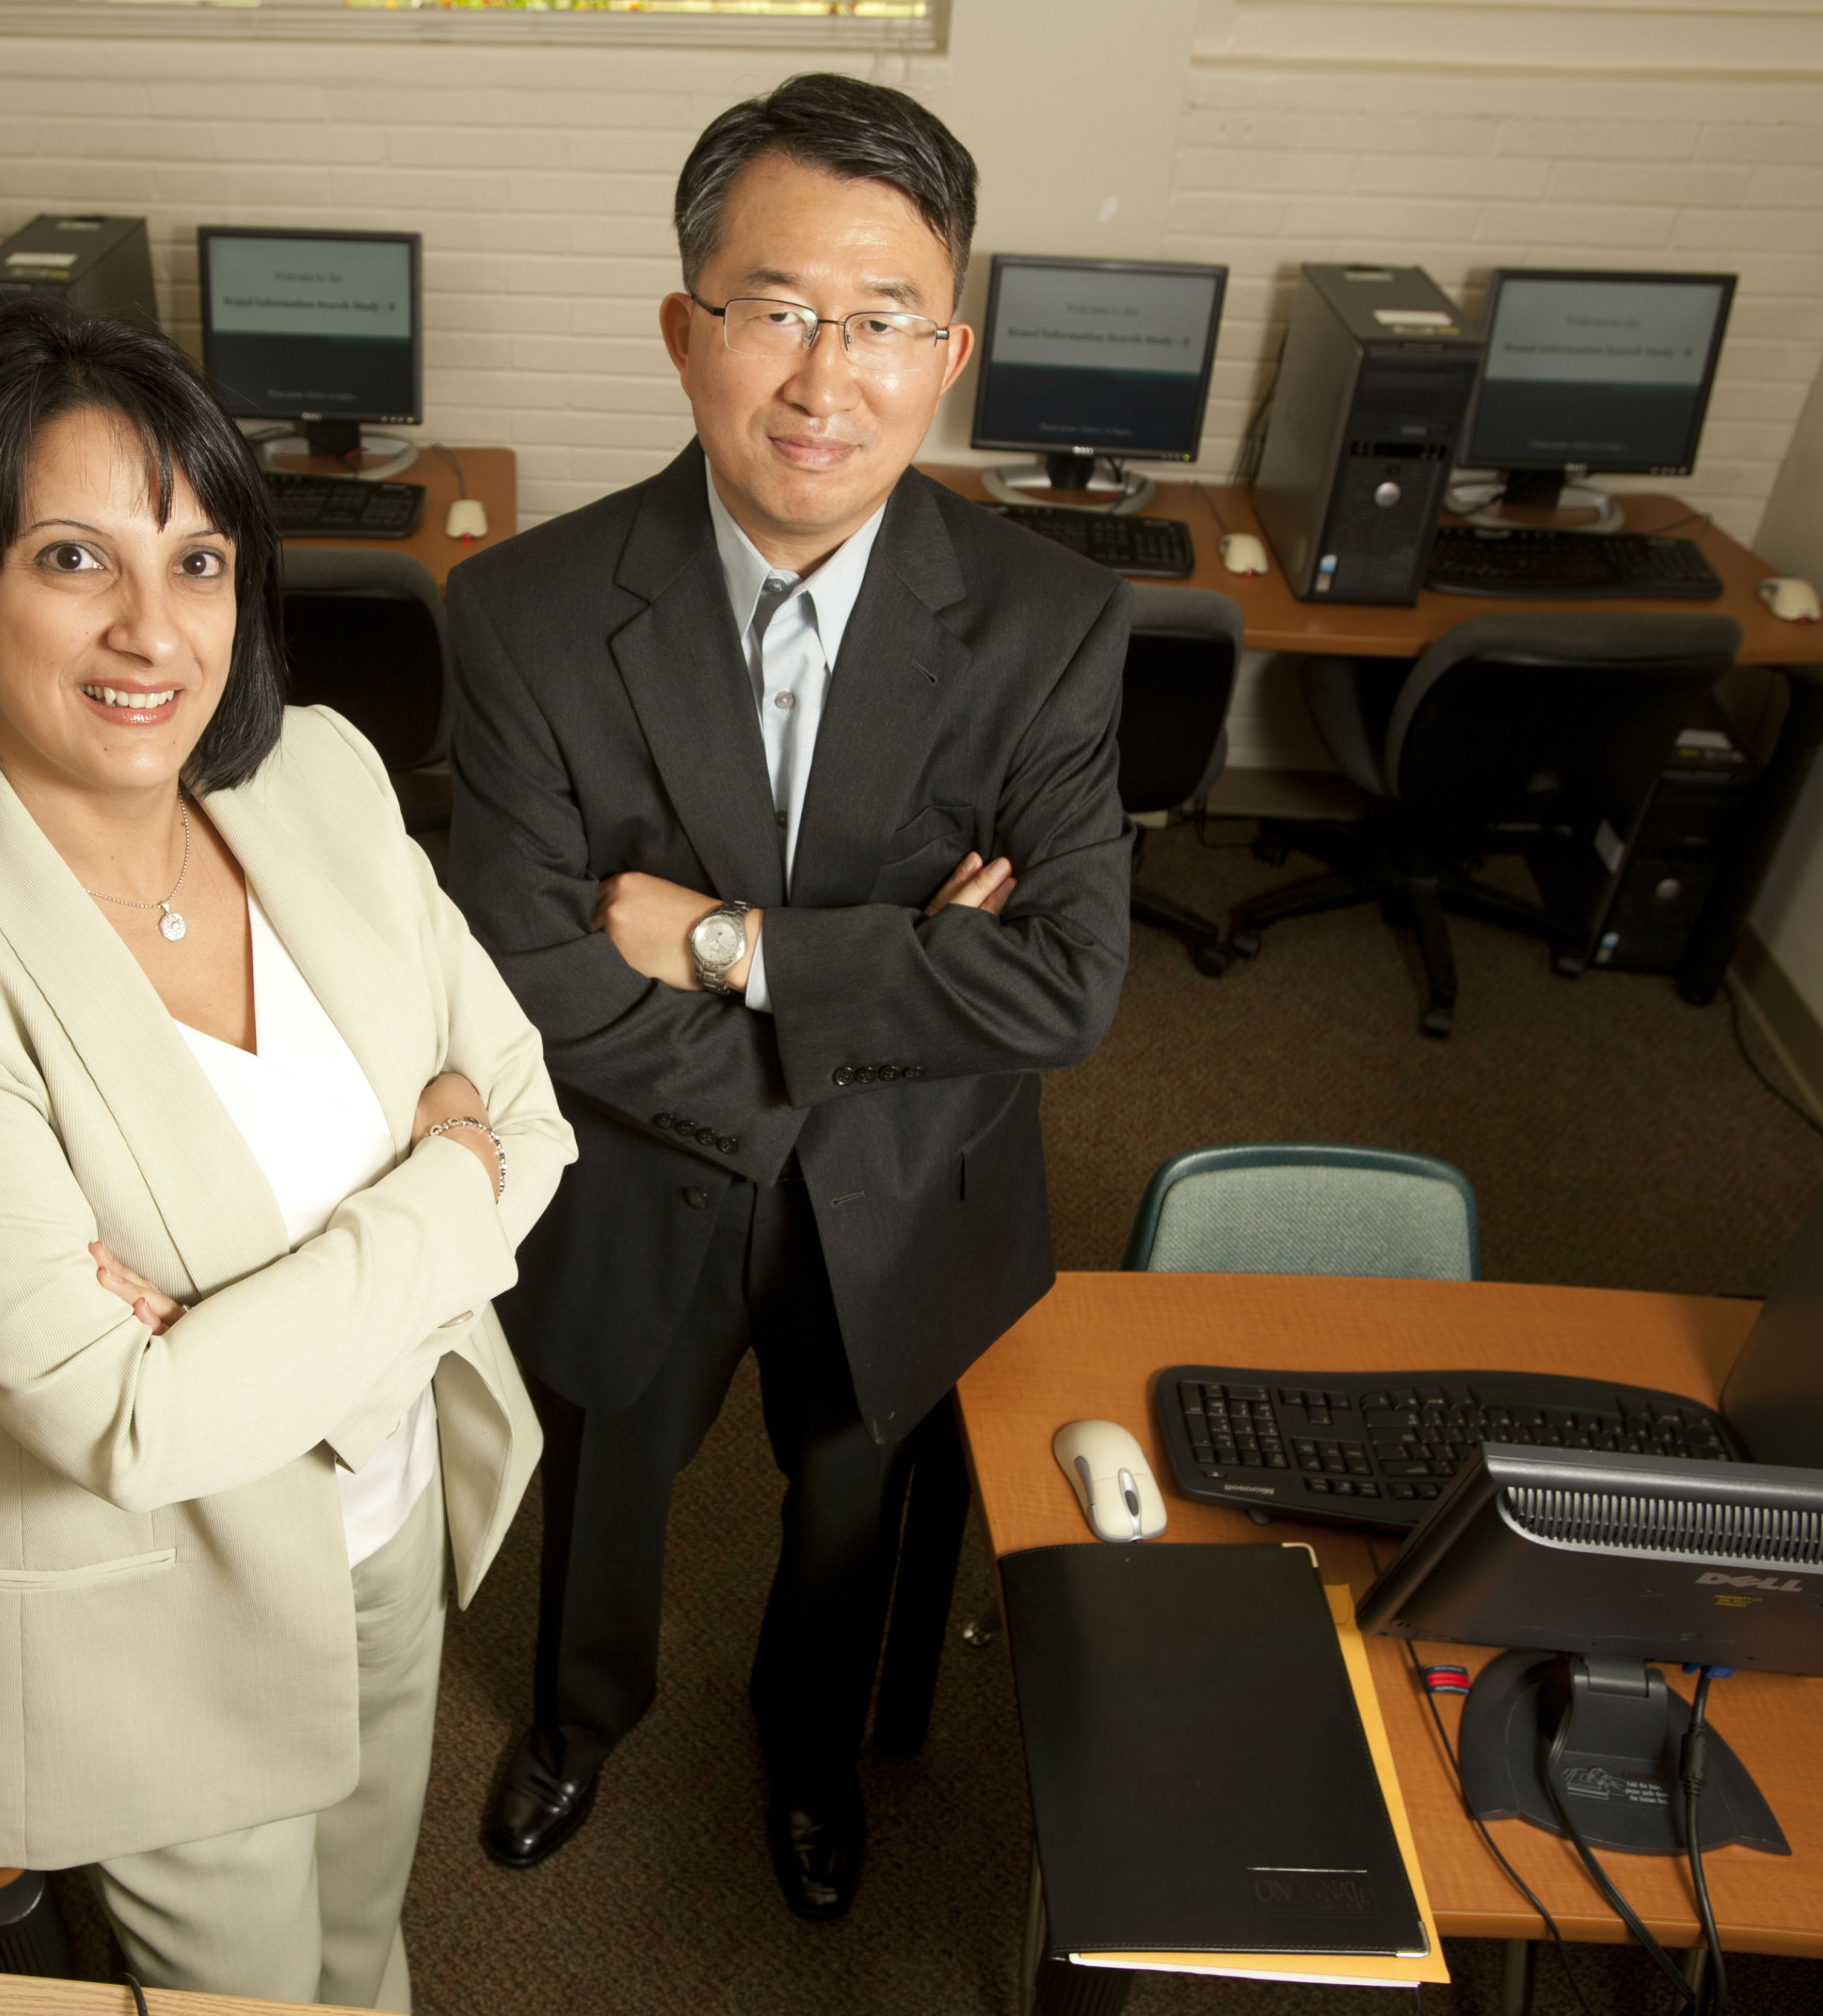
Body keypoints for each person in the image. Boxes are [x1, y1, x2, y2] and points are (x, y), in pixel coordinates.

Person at [0, 304, 570, 2008]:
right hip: (165, 1616)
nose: (152, 631)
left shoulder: (322, 783)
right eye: (74, 557)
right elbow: (124, 1423)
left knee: (368, 1944)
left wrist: (226, 1329)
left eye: (198, 563)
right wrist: (441, 1186)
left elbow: (534, 1112)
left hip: (398, 1512)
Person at [446, 72, 1133, 1920]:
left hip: (910, 1196)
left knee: (852, 1501)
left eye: (884, 319)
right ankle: (576, 1723)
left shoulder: (1055, 619)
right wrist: (910, 968)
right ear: (686, 332)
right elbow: (526, 980)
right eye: (775, 311)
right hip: (629, 1181)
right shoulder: (516, 613)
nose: (826, 378)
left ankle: (810, 1752)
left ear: (950, 350)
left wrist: (723, 943)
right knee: (605, 1478)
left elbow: (1065, 985)